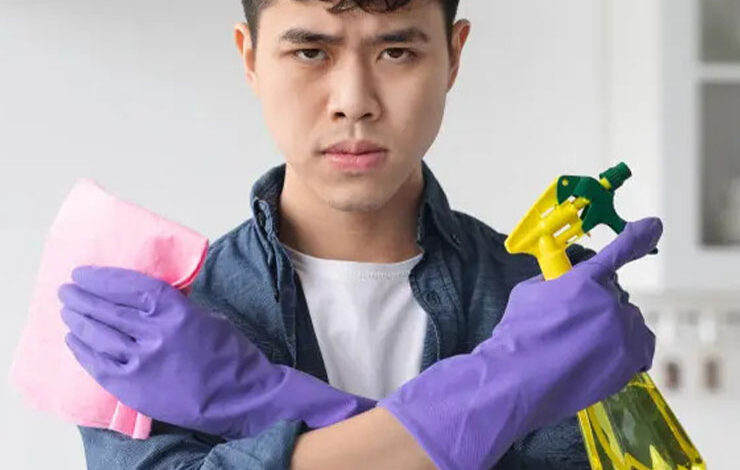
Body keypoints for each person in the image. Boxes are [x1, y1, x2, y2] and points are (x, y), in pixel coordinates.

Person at [57, 0, 660, 468]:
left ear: (453, 56)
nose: (354, 102)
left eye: (395, 52)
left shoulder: (562, 301)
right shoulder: (146, 330)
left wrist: (251, 399)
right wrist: (505, 384)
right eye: (310, 52)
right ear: (250, 58)